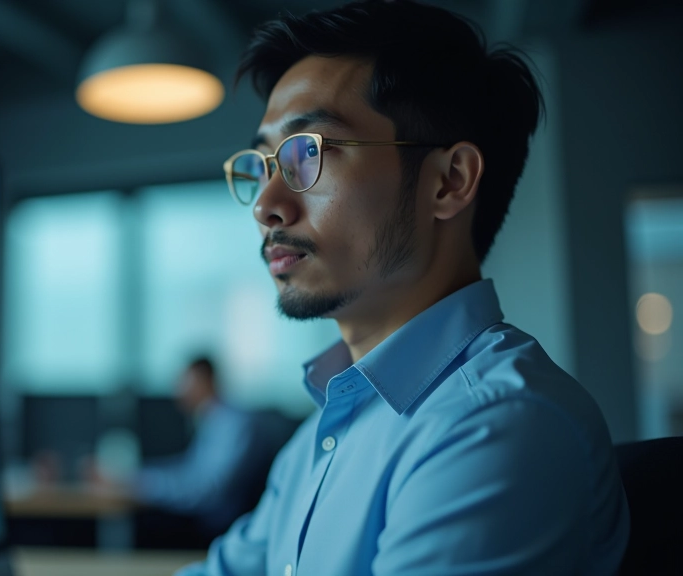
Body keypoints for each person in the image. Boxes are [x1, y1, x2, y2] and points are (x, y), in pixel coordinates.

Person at [179, 2, 629, 575]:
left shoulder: (498, 427)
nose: (266, 206)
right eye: (264, 163)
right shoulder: (317, 438)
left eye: (307, 153)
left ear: (449, 182)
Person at [131, 358, 265, 539]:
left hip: (217, 529)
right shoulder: (210, 420)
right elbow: (188, 471)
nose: (179, 391)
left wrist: (140, 485)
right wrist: (133, 478)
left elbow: (206, 489)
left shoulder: (233, 424)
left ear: (205, 381)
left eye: (186, 383)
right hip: (206, 521)